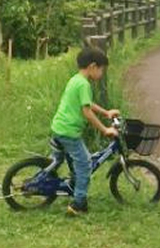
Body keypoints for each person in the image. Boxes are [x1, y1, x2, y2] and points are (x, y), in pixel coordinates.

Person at [51, 46, 119, 215]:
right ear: (93, 66)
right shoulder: (83, 85)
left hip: (60, 128)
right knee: (85, 165)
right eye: (102, 69)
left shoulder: (76, 80)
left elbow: (87, 104)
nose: (102, 73)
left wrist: (106, 112)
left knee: (68, 162)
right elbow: (87, 113)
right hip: (69, 132)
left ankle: (71, 185)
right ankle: (78, 204)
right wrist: (105, 130)